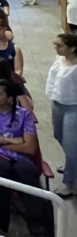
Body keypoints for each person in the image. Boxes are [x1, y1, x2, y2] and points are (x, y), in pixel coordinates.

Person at [0, 79, 59, 237]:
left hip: (20, 157)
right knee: (2, 171)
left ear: (9, 97)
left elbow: (29, 148)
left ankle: (42, 235)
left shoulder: (24, 115)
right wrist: (11, 140)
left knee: (29, 175)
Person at [46, 33, 77, 198]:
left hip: (73, 107)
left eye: (60, 46)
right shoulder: (59, 59)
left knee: (71, 145)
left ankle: (69, 183)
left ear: (72, 48)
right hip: (57, 103)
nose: (56, 48)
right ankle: (72, 164)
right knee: (59, 136)